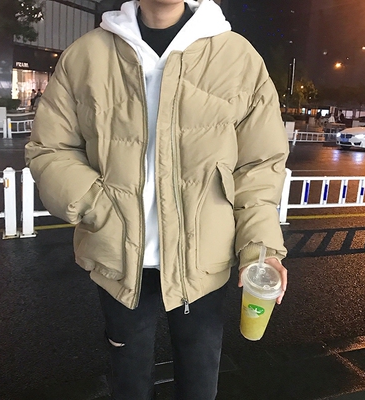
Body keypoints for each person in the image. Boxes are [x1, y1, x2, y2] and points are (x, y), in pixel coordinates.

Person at [25, 1, 288, 399]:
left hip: (205, 261)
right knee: (128, 384)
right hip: (118, 260)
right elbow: (50, 148)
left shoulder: (238, 58)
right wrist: (99, 206)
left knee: (199, 384)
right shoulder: (87, 55)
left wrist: (261, 247)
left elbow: (258, 164)